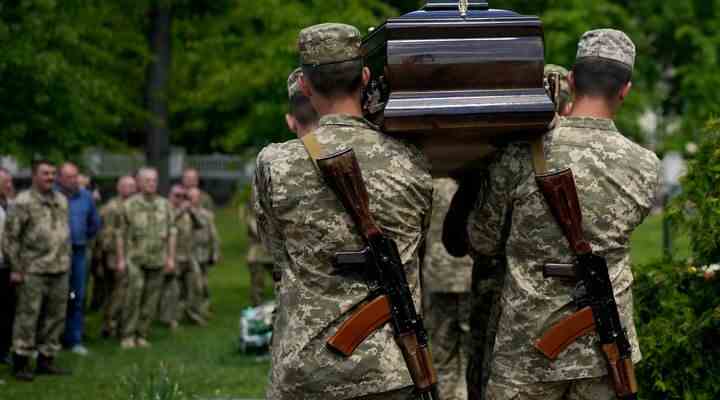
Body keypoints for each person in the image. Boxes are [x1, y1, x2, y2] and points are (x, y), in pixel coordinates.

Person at [465, 29, 660, 399]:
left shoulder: (521, 154)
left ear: (571, 78)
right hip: (605, 349)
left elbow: (482, 241)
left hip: (527, 347)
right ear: (625, 89)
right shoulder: (645, 166)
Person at [254, 23, 433, 400]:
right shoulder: (411, 160)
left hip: (303, 367)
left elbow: (277, 250)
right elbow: (420, 243)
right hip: (390, 368)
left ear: (304, 84)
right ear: (365, 76)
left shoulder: (276, 163)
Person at [2, 160, 72, 380]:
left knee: (56, 317)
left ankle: (46, 360)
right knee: (27, 317)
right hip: (32, 269)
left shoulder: (61, 200)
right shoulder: (23, 202)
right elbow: (10, 237)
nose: (50, 177)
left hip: (60, 267)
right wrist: (16, 267)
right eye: (45, 173)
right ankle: (21, 361)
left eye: (53, 173)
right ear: (34, 176)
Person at [423, 178, 474, 400]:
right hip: (467, 272)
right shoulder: (468, 184)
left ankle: (446, 396)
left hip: (437, 274)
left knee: (441, 345)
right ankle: (468, 393)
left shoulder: (427, 185)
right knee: (471, 342)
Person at [116, 167, 177, 349]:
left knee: (151, 299)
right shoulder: (129, 205)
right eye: (147, 180)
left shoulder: (165, 205)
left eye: (154, 180)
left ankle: (142, 333)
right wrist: (120, 259)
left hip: (158, 258)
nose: (151, 183)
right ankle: (128, 334)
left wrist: (171, 258)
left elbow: (172, 232)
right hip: (135, 259)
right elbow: (120, 234)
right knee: (134, 295)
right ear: (139, 183)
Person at [55, 162, 100, 356]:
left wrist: (81, 237)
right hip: (54, 253)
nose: (73, 180)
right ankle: (51, 339)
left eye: (75, 176)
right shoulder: (53, 196)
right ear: (60, 178)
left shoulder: (86, 198)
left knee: (77, 296)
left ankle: (74, 339)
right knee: (55, 297)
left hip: (78, 252)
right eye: (68, 177)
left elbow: (94, 224)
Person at [159, 185, 205, 328]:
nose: (181, 199)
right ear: (170, 196)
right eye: (177, 195)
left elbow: (200, 225)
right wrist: (180, 211)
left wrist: (191, 211)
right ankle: (170, 318)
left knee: (195, 285)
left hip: (189, 256)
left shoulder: (188, 212)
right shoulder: (165, 209)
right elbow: (164, 226)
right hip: (173, 255)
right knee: (173, 289)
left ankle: (193, 314)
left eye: (184, 196)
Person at [98, 176, 137, 338]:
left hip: (133, 254)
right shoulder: (112, 207)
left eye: (132, 186)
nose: (130, 189)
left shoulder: (135, 205)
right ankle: (110, 325)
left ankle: (122, 322)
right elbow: (106, 235)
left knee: (127, 292)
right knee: (116, 292)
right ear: (118, 188)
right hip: (115, 256)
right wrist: (108, 257)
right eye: (126, 186)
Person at [188, 187, 220, 318]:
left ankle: (203, 306)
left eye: (195, 196)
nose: (192, 199)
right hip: (190, 252)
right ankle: (194, 311)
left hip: (204, 252)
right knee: (196, 282)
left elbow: (214, 235)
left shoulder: (207, 215)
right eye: (190, 196)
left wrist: (215, 252)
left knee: (204, 282)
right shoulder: (185, 213)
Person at [0, 168, 15, 364]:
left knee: (6, 311)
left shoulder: (10, 204)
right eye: (6, 182)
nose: (10, 185)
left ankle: (3, 351)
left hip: (7, 266)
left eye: (10, 182)